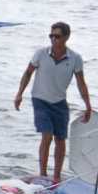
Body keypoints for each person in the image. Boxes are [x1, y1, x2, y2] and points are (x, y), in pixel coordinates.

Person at [13, 21, 92, 185]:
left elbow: (81, 83)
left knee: (61, 140)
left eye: (57, 36)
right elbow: (28, 73)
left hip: (59, 102)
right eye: (51, 36)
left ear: (66, 37)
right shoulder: (40, 54)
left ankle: (56, 176)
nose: (53, 39)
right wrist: (19, 94)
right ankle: (42, 173)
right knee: (46, 135)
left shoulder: (75, 58)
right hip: (40, 99)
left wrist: (88, 106)